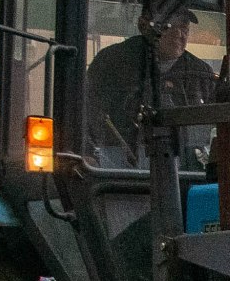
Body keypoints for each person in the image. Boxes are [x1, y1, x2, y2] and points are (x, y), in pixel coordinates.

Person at [87, 9, 216, 166]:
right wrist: (88, 155)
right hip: (116, 170)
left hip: (185, 171)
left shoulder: (201, 73)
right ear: (144, 26)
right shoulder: (110, 62)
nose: (178, 34)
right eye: (167, 27)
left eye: (184, 29)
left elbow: (213, 130)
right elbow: (84, 112)